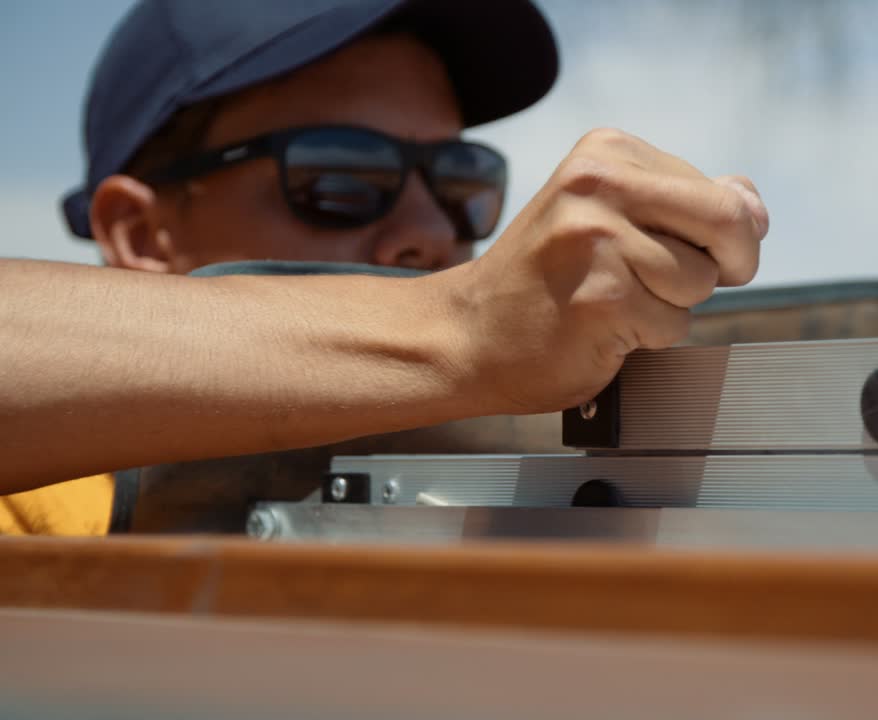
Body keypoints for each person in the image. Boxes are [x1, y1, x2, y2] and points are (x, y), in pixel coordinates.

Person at [0, 0, 769, 533]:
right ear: (140, 233)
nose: (431, 234)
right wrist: (461, 325)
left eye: (460, 182)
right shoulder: (36, 514)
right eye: (343, 179)